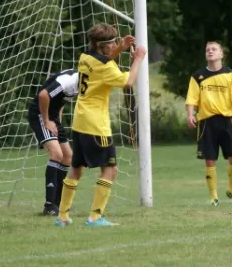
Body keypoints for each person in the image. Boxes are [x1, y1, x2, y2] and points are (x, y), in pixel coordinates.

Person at [54, 23, 147, 227]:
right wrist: (138, 59)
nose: (114, 44)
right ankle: (95, 217)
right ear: (100, 45)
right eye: (111, 42)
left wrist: (120, 47)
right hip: (96, 125)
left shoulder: (85, 57)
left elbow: (104, 59)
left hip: (80, 121)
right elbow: (128, 82)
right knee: (110, 170)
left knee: (76, 168)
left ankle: (62, 216)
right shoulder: (107, 68)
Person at [185, 41, 232, 206]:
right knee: (210, 160)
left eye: (214, 49)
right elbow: (191, 98)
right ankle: (214, 197)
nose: (210, 51)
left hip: (227, 120)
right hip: (206, 122)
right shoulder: (198, 76)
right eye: (207, 50)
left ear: (221, 54)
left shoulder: (231, 75)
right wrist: (190, 114)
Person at [27, 68, 79, 216]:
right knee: (56, 154)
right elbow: (44, 95)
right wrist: (47, 121)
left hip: (53, 117)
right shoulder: (68, 80)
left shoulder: (83, 83)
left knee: (68, 156)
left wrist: (57, 121)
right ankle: (49, 206)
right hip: (40, 114)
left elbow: (60, 100)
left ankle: (59, 203)